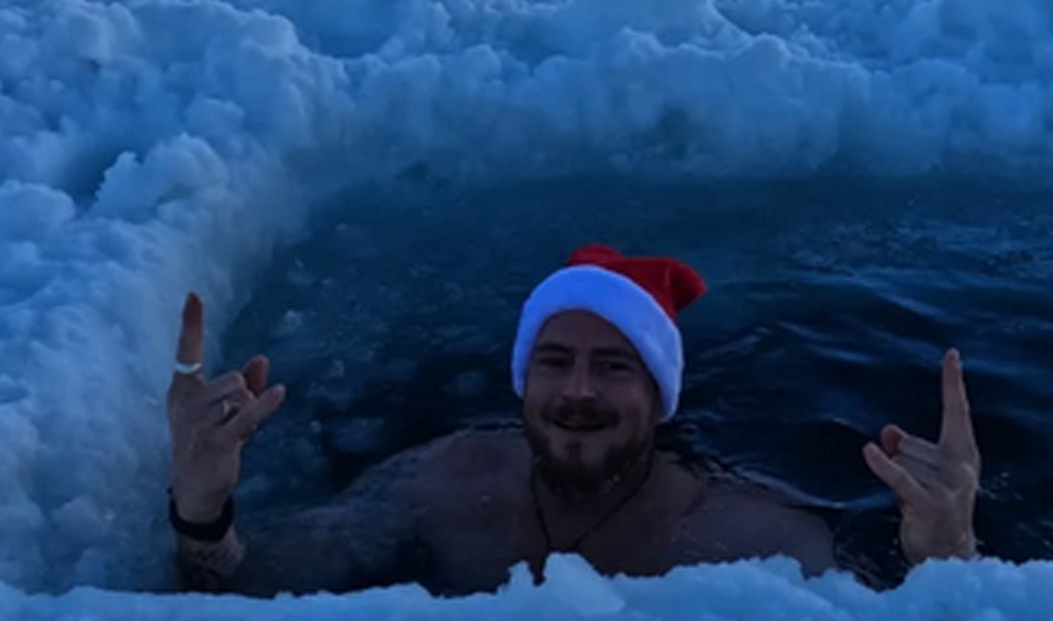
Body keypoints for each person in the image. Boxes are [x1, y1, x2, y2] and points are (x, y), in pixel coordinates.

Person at [168, 245, 981, 595]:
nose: (579, 390)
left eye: (615, 366)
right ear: (524, 382)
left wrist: (946, 559)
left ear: (659, 398)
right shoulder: (446, 480)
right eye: (555, 362)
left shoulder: (749, 532)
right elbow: (249, 586)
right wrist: (203, 510)